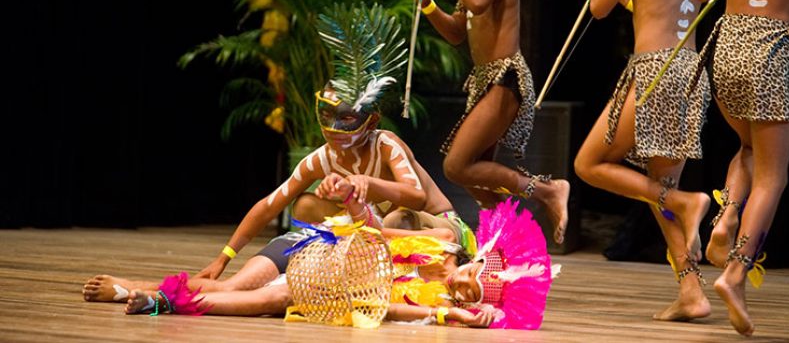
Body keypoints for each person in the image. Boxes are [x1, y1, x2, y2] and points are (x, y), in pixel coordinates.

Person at [83, 3, 475, 305]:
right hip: (366, 237)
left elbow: (418, 198)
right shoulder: (321, 159)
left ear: (370, 122)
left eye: (347, 119)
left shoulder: (386, 144)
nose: (335, 129)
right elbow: (269, 205)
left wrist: (366, 182)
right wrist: (224, 255)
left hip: (432, 230)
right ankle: (140, 287)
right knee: (265, 253)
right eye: (327, 116)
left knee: (397, 215)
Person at [573, 0, 713, 322]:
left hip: (654, 72)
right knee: (658, 189)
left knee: (589, 164)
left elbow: (598, 8)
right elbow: (656, 6)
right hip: (689, 72)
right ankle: (692, 291)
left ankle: (687, 202)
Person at [407, 0, 570, 243]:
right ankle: (505, 239)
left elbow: (479, 2)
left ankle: (549, 190)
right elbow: (456, 33)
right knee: (478, 174)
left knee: (457, 165)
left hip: (505, 77)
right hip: (484, 82)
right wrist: (427, 4)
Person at [122, 195, 554, 330]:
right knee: (237, 287)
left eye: (470, 295)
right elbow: (377, 233)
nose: (462, 287)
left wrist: (447, 312)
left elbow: (383, 307)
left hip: (322, 287)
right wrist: (355, 203)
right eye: (471, 279)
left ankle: (148, 298)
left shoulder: (439, 301)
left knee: (269, 298)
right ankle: (137, 290)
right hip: (314, 248)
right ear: (476, 261)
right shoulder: (440, 239)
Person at [692, 0, 789, 337]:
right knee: (774, 176)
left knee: (747, 147)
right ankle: (735, 271)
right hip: (773, 55)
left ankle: (726, 216)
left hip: (728, 53)